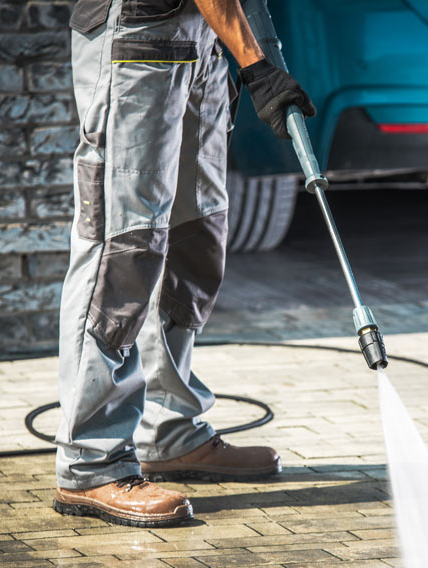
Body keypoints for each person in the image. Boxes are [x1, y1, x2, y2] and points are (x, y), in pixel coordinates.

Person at [53, 0, 315, 527]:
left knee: (195, 239)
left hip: (203, 44)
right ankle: (91, 460)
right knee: (124, 247)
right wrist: (256, 64)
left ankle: (169, 430)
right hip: (136, 38)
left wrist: (257, 53)